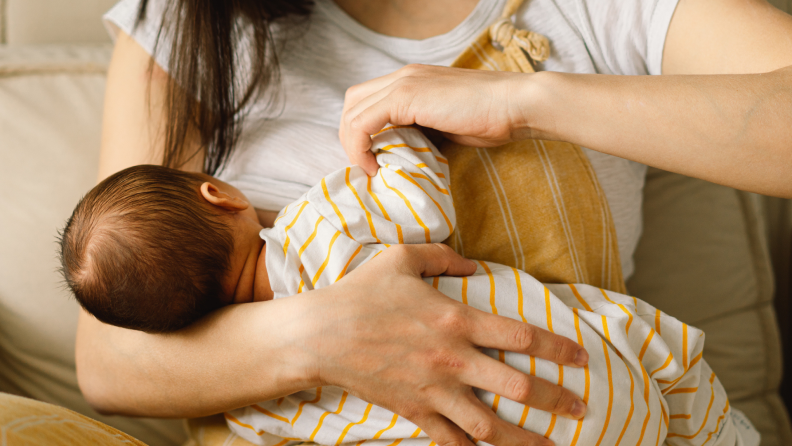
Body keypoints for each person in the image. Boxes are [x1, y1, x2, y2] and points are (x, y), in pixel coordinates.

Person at [86, 1, 792, 445]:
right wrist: (330, 335)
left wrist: (531, 99)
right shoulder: (184, 24)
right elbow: (112, 357)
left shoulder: (592, 10)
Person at [64, 126, 748, 445]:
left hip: (512, 436)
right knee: (667, 361)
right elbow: (424, 209)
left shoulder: (250, 405)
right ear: (218, 194)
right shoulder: (318, 225)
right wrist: (395, 136)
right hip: (600, 362)